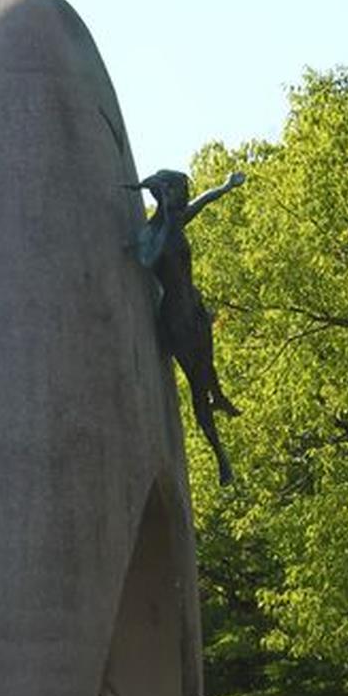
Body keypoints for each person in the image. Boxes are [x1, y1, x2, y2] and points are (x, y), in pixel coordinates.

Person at [131, 168, 245, 485]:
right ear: (164, 194)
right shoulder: (150, 234)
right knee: (197, 383)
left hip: (194, 308)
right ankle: (221, 457)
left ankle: (219, 395)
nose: (183, 198)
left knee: (207, 365)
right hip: (175, 318)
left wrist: (225, 187)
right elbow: (146, 259)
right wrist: (166, 219)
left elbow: (203, 202)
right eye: (178, 192)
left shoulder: (178, 220)